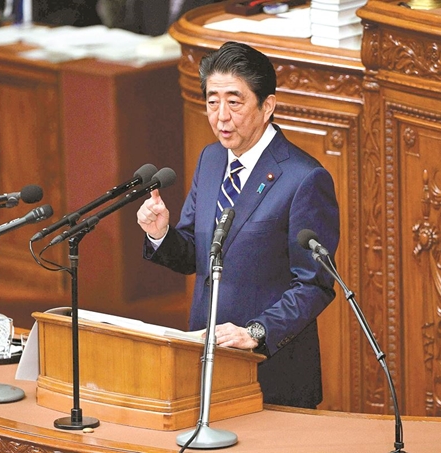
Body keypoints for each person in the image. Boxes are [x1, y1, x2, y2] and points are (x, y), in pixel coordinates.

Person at [136, 41, 339, 409]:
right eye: (213, 101)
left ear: (267, 106)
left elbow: (315, 284)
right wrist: (161, 233)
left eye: (234, 101)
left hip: (272, 370)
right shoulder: (212, 159)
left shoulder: (305, 178)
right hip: (205, 362)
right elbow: (197, 256)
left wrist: (256, 332)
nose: (221, 116)